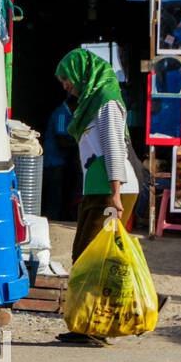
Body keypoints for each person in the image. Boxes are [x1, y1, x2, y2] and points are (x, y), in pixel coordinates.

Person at [54, 48, 146, 346]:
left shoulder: (106, 102)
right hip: (99, 188)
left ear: (83, 73)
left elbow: (114, 148)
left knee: (94, 258)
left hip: (110, 188)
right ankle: (89, 325)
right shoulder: (91, 103)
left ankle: (96, 327)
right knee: (90, 256)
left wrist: (115, 195)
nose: (66, 86)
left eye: (67, 79)